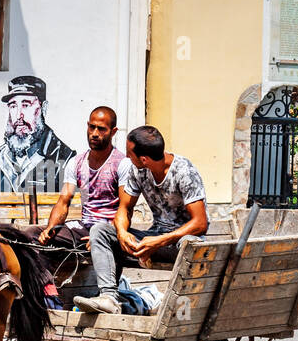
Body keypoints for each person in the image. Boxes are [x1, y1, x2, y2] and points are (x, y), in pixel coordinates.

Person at [73, 125, 209, 314]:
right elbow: (125, 207)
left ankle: (185, 310)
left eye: (130, 153)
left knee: (191, 245)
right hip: (154, 237)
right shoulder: (138, 170)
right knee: (100, 231)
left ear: (143, 159)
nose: (127, 157)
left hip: (181, 241)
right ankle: (108, 298)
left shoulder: (184, 171)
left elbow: (200, 224)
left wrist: (159, 241)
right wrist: (121, 233)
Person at [20, 106, 130, 250]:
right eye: (92, 127)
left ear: (113, 132)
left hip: (110, 230)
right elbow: (63, 203)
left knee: (99, 241)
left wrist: (105, 236)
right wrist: (50, 229)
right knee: (31, 234)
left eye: (101, 129)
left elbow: (126, 209)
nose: (95, 133)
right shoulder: (76, 162)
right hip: (84, 229)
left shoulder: (122, 163)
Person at [0, 76, 76, 193]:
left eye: (26, 105)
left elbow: (73, 207)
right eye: (13, 106)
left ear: (43, 108)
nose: (19, 115)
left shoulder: (64, 159)